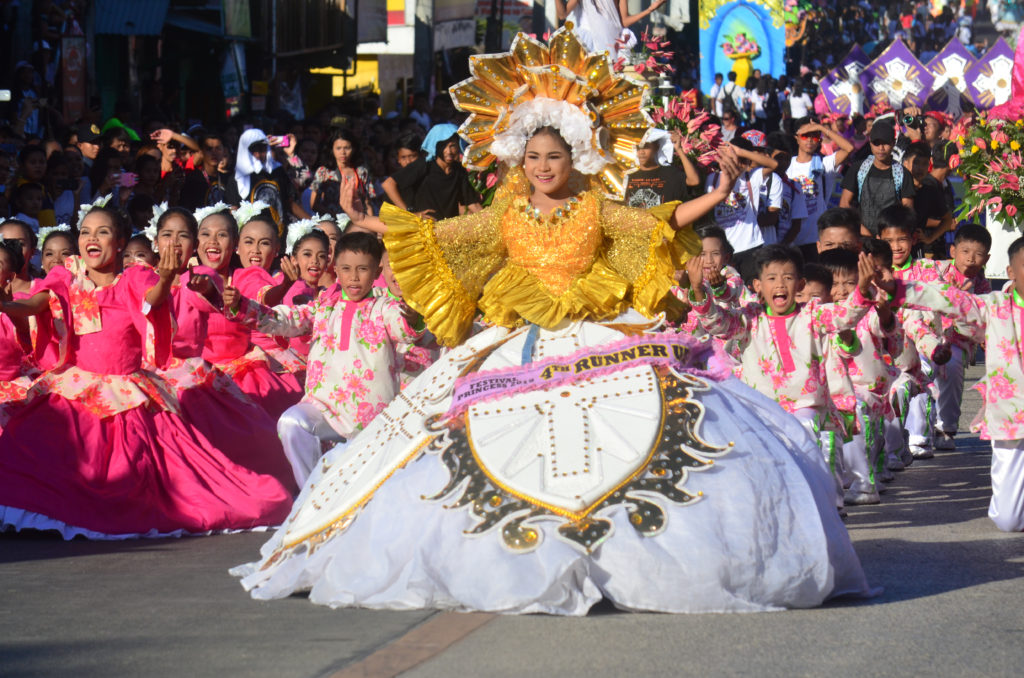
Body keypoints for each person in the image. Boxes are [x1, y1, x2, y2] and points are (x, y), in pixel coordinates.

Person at [233, 27, 871, 614]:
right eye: (533, 155)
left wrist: (719, 193)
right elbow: (438, 237)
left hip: (599, 329)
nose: (542, 166)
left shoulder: (597, 209)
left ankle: (625, 554)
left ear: (576, 157)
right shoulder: (503, 216)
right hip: (518, 338)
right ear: (519, 157)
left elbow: (662, 222)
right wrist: (368, 219)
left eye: (554, 156)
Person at [0, 205, 293, 538]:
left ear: (121, 241)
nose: (92, 239)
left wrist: (166, 277)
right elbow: (37, 303)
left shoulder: (134, 277)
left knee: (147, 474)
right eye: (85, 232)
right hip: (74, 387)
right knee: (27, 448)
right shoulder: (67, 276)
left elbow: (151, 300)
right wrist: (6, 305)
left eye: (103, 232)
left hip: (125, 392)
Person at [225, 232, 422, 486]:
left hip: (371, 417)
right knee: (291, 423)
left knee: (367, 491)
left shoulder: (384, 308)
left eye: (362, 269)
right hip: (323, 407)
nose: (353, 277)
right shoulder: (323, 307)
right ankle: (311, 496)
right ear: (335, 268)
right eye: (346, 269)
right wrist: (242, 305)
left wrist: (413, 318)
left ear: (377, 272)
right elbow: (283, 320)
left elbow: (404, 329)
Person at [880, 236, 1024, 532]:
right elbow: (947, 298)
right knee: (1009, 520)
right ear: (1010, 272)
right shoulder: (995, 306)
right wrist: (896, 288)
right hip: (1013, 417)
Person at [785, 121, 854, 263]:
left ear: (820, 141)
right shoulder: (787, 165)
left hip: (817, 237)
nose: (809, 140)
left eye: (815, 136)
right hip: (792, 238)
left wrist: (823, 128)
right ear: (796, 138)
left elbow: (849, 148)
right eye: (805, 136)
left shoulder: (824, 164)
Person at [383, 123, 481, 220]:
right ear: (435, 146)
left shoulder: (459, 170)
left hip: (446, 229)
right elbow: (388, 184)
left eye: (452, 146)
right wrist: (409, 213)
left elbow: (473, 203)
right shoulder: (425, 165)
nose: (449, 151)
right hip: (424, 229)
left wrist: (490, 222)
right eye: (443, 146)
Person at [839, 119, 915, 236]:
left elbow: (907, 212)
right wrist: (865, 233)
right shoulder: (858, 168)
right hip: (862, 238)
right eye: (876, 143)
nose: (881, 148)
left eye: (885, 143)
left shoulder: (902, 173)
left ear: (893, 143)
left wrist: (889, 235)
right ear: (870, 143)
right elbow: (844, 204)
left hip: (890, 240)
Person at [226, 129, 309, 230]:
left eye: (262, 149)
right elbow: (234, 211)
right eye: (253, 150)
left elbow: (290, 203)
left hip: (279, 236)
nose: (258, 155)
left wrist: (313, 222)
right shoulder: (236, 179)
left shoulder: (277, 171)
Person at [556, 0, 665, 59]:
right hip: (587, 41)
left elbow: (623, 21)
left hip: (610, 40)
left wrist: (649, 10)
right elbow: (562, 14)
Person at [310, 128, 376, 218]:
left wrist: (371, 227)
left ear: (354, 149)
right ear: (332, 149)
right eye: (338, 148)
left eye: (347, 148)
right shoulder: (323, 172)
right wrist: (337, 217)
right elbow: (314, 204)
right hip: (332, 222)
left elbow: (367, 203)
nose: (343, 152)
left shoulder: (361, 172)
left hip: (358, 222)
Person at [902, 142, 953, 258]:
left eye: (924, 164)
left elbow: (947, 220)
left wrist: (929, 238)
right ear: (905, 164)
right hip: (893, 249)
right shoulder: (895, 187)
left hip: (916, 250)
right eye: (916, 163)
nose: (920, 168)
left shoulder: (930, 190)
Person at [624, 130, 688, 208]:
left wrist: (678, 149)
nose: (641, 152)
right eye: (638, 148)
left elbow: (694, 181)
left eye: (646, 147)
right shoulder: (627, 176)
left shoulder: (669, 173)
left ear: (656, 147)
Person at [180, 130, 231, 211]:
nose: (214, 153)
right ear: (201, 152)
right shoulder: (192, 180)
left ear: (224, 151)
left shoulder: (229, 179)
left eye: (218, 148)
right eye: (209, 149)